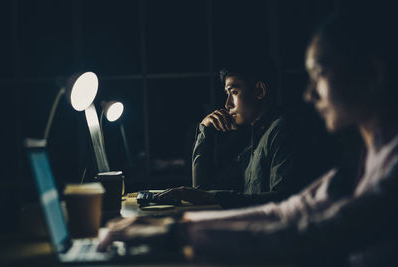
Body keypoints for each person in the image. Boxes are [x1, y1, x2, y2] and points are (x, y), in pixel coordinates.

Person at [99, 7, 398, 266]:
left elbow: (314, 232)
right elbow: (286, 212)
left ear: (372, 74)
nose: (309, 94)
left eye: (320, 74)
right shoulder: (366, 156)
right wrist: (177, 223)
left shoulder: (390, 164)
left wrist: (175, 234)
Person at [155, 59, 328, 208]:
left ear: (260, 91)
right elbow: (202, 191)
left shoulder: (283, 130)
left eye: (234, 92)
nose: (227, 104)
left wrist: (208, 197)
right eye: (227, 94)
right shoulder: (256, 139)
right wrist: (204, 130)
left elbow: (283, 201)